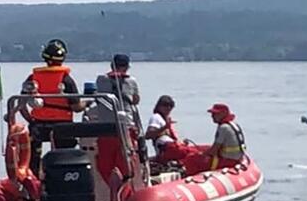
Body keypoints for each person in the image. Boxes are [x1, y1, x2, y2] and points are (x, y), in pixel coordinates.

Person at [22, 39, 84, 175]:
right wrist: (87, 103)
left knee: (33, 158)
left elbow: (21, 104)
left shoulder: (32, 78)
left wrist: (30, 120)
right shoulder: (66, 79)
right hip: (63, 125)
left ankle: (34, 180)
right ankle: (64, 178)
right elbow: (76, 107)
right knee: (66, 157)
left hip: (38, 125)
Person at [93, 54, 141, 186]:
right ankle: (123, 191)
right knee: (126, 162)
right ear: (127, 67)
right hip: (126, 128)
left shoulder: (101, 80)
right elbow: (136, 100)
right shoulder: (131, 81)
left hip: (106, 129)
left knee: (105, 163)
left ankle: (112, 188)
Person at [181, 103, 247, 176]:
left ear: (223, 114)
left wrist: (201, 154)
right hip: (236, 158)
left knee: (191, 159)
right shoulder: (234, 124)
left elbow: (214, 150)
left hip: (228, 160)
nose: (212, 116)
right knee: (202, 150)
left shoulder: (223, 128)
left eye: (215, 114)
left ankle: (190, 177)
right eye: (212, 114)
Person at [145, 95, 191, 162]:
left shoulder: (166, 119)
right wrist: (164, 127)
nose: (168, 108)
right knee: (190, 152)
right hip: (166, 150)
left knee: (195, 150)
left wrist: (182, 143)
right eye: (165, 105)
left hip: (173, 148)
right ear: (159, 106)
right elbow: (148, 135)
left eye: (171, 106)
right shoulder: (156, 117)